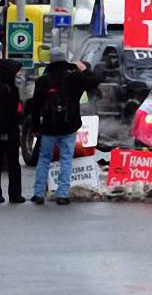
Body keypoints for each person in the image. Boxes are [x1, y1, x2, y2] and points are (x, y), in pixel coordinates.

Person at [30, 48, 100, 205]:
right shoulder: (75, 78)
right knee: (66, 159)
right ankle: (62, 194)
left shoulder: (43, 81)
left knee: (44, 159)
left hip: (48, 128)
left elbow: (35, 106)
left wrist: (36, 127)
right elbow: (95, 81)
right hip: (69, 126)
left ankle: (39, 193)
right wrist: (83, 69)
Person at [0, 59, 24, 204]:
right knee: (12, 162)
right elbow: (4, 112)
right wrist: (5, 133)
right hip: (5, 130)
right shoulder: (6, 89)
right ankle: (14, 194)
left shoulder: (0, 86)